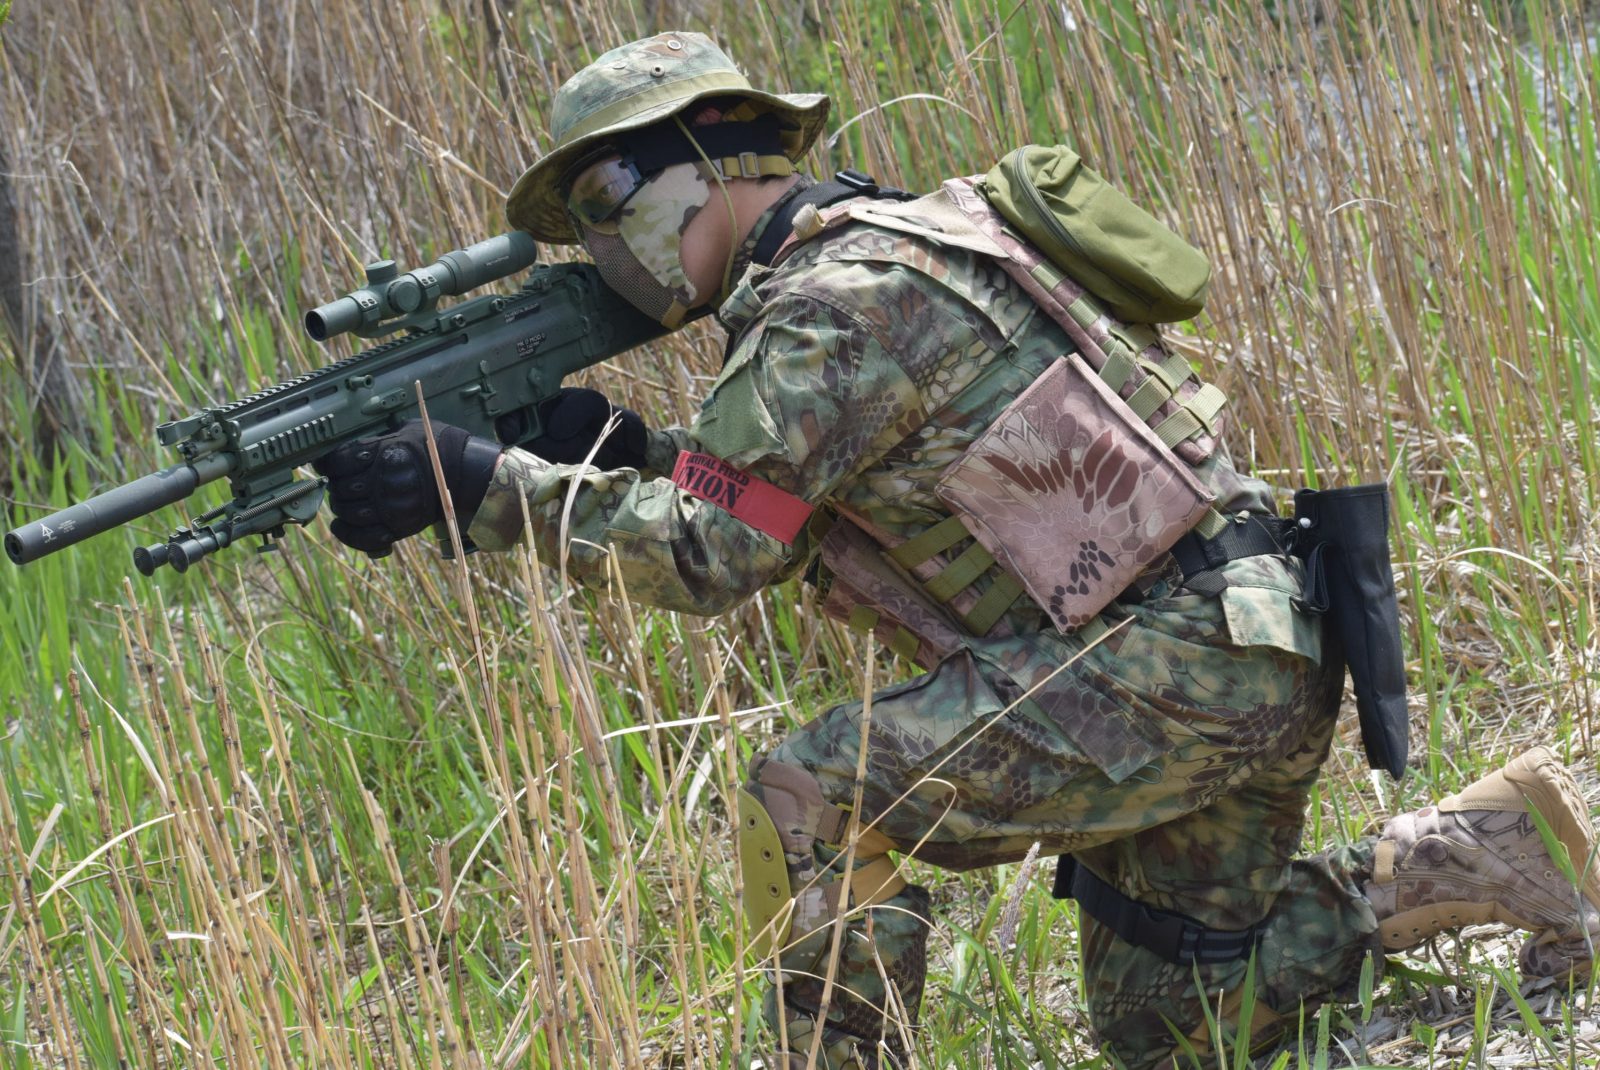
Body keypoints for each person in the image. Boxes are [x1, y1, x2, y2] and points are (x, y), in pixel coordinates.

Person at [312, 32, 1600, 1069]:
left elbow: (716, 555)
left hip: (1175, 664)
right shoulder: (893, 245)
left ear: (709, 160)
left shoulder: (832, 305)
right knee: (1172, 1027)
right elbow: (783, 507)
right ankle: (1484, 842)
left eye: (606, 198)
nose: (601, 246)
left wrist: (482, 487)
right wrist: (625, 451)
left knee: (813, 790)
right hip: (1238, 643)